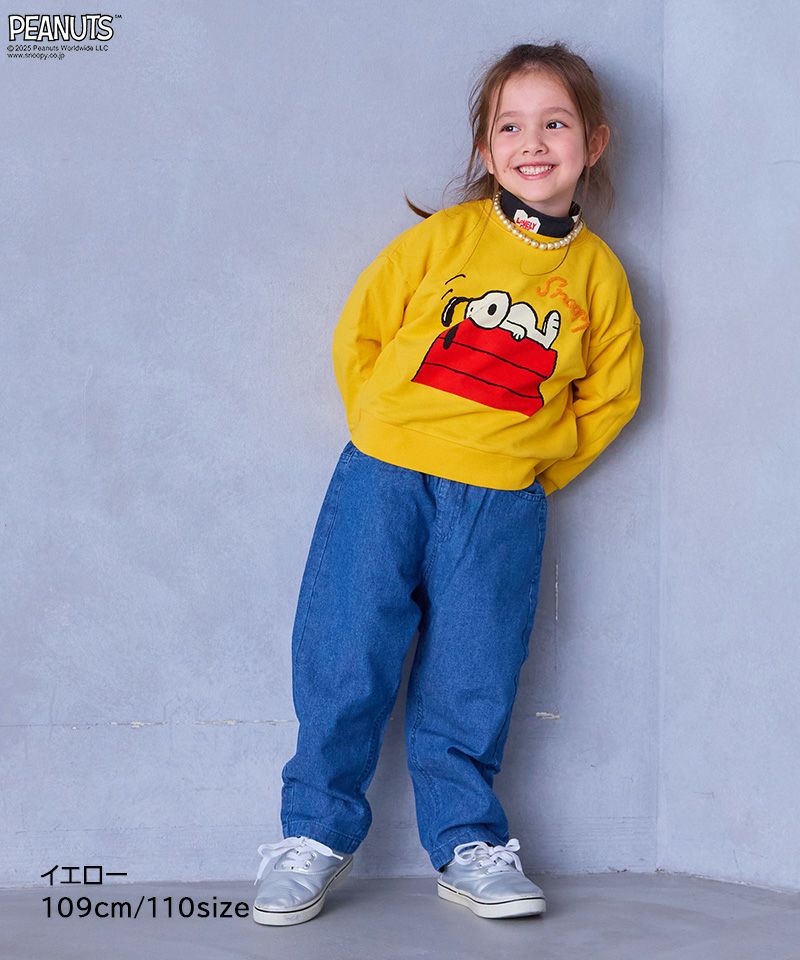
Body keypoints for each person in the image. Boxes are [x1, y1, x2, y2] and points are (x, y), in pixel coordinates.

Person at [252, 40, 644, 926]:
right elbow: (362, 332)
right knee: (345, 650)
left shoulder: (599, 278)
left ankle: (468, 843)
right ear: (484, 147)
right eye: (510, 126)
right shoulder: (443, 240)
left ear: (594, 142)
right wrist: (384, 430)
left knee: (475, 670)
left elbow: (613, 396)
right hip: (384, 478)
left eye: (555, 124)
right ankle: (312, 834)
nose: (532, 142)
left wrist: (529, 468)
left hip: (499, 502)